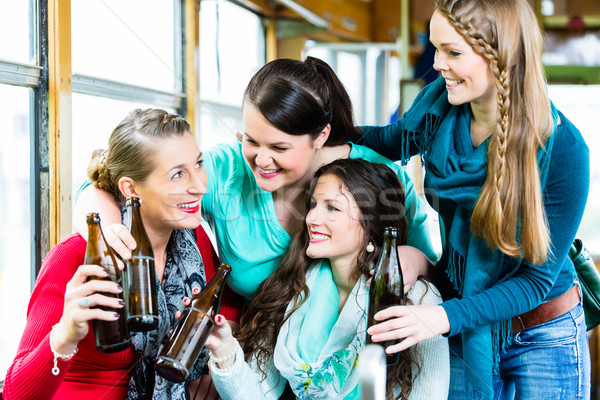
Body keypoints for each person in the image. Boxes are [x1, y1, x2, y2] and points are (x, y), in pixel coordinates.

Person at [360, 0, 590, 399]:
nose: (437, 64)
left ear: (501, 57)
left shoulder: (562, 150)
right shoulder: (437, 114)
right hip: (463, 320)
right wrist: (318, 130)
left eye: (453, 52)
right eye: (435, 48)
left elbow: (535, 282)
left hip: (541, 330)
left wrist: (441, 318)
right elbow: (385, 141)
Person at [72, 56, 438, 302]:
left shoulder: (379, 179)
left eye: (279, 147)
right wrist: (104, 228)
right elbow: (104, 184)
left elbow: (435, 269)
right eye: (250, 140)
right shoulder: (228, 170)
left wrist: (415, 260)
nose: (261, 160)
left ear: (321, 136)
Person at [3, 109, 226, 400]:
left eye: (198, 164)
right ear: (131, 189)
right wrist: (65, 334)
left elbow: (228, 297)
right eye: (177, 174)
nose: (199, 186)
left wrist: (210, 365)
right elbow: (15, 393)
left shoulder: (196, 245)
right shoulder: (75, 257)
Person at [205, 159, 450, 400]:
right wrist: (224, 349)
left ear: (371, 223)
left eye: (332, 208)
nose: (311, 218)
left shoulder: (417, 298)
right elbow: (256, 394)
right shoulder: (291, 288)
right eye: (313, 204)